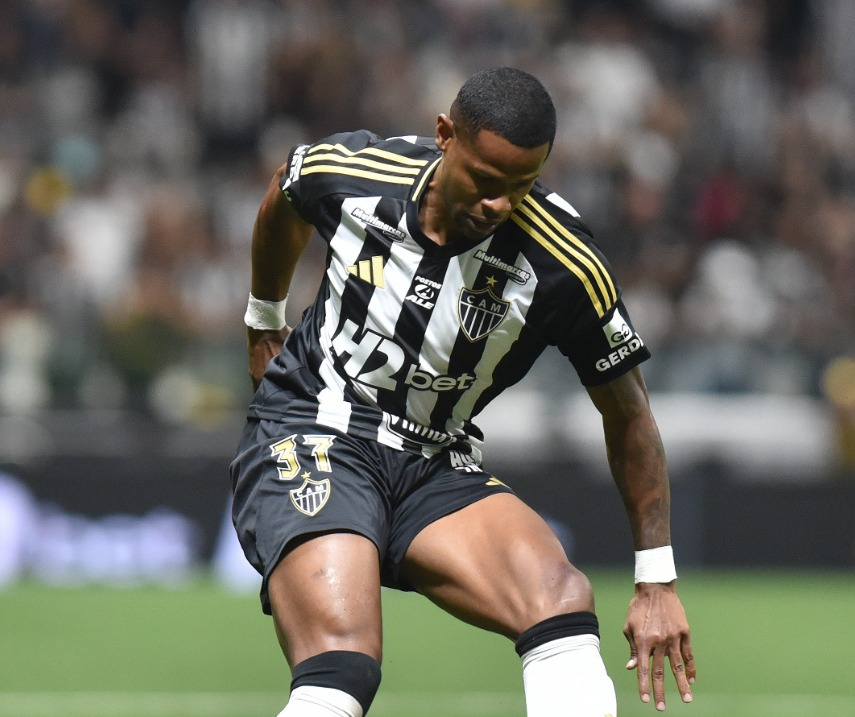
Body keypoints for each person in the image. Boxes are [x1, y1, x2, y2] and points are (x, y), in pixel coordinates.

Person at [230, 67, 696, 716]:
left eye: (521, 186)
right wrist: (263, 315)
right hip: (316, 429)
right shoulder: (356, 173)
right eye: (484, 179)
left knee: (560, 598)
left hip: (433, 460)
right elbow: (285, 195)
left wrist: (656, 577)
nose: (498, 203)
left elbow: (630, 414)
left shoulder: (564, 265)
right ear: (445, 135)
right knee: (343, 665)